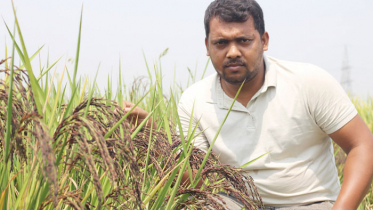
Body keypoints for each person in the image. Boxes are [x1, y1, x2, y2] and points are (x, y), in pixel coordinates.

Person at [124, 0, 373, 209]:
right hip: (235, 203)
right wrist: (152, 137)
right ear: (207, 47)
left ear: (263, 41)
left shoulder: (308, 82)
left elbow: (362, 145)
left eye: (244, 41)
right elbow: (195, 182)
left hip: (309, 203)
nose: (232, 52)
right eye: (221, 43)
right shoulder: (194, 100)